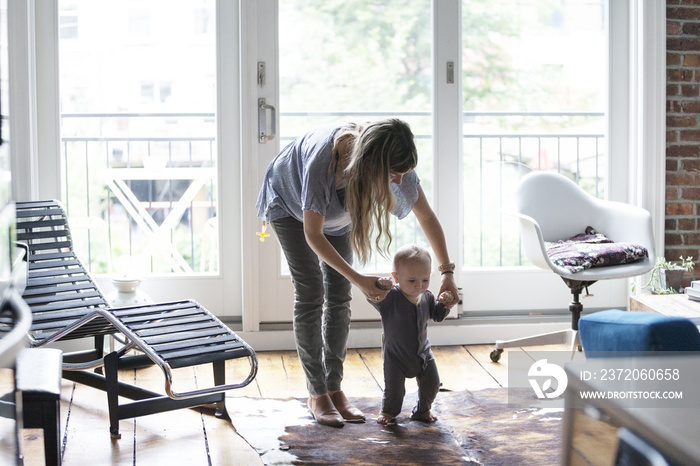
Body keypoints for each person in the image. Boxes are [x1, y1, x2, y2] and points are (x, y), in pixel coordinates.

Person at [256, 118, 459, 427]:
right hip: (290, 207)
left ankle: (335, 388)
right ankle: (317, 393)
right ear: (370, 164)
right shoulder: (322, 163)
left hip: (335, 215)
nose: (398, 181)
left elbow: (426, 216)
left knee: (340, 295)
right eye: (393, 175)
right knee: (311, 293)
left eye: (403, 174)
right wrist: (359, 277)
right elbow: (314, 235)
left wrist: (447, 272)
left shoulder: (395, 164)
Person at [370, 244, 452, 426]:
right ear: (396, 277)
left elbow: (437, 315)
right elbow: (372, 296)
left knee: (432, 383)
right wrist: (380, 287)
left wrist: (446, 304)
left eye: (425, 280)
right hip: (396, 357)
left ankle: (423, 410)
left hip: (423, 354)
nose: (419, 286)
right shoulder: (390, 297)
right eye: (412, 281)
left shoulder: (428, 296)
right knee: (395, 390)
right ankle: (388, 412)